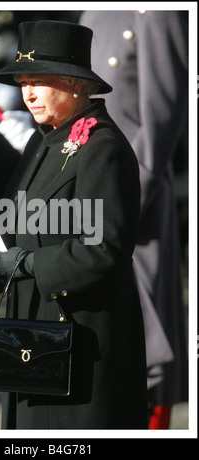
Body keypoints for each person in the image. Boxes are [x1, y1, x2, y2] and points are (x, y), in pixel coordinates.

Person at [0, 20, 148, 430]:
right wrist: (0, 257)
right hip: (36, 340)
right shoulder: (44, 139)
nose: (28, 94)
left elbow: (105, 249)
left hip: (83, 344)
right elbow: (23, 218)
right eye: (23, 82)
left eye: (39, 81)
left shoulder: (102, 147)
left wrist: (31, 265)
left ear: (75, 84)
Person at [79, 10, 188, 429]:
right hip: (87, 195)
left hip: (132, 206)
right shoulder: (92, 10)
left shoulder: (155, 13)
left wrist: (119, 206)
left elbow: (160, 122)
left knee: (142, 354)